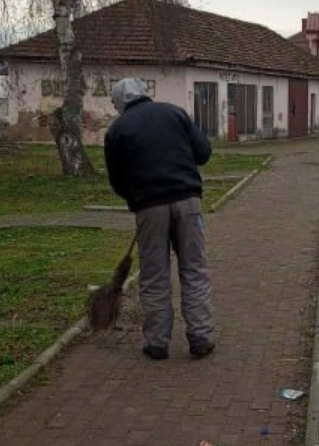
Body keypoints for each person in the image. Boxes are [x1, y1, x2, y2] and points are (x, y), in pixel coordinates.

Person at [104, 78, 215, 361]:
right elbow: (203, 153)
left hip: (149, 208)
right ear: (145, 94)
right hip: (188, 201)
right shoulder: (174, 113)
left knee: (154, 275)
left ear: (119, 103)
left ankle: (157, 343)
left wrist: (137, 201)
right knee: (194, 270)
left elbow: (117, 180)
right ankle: (200, 337)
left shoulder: (117, 130)